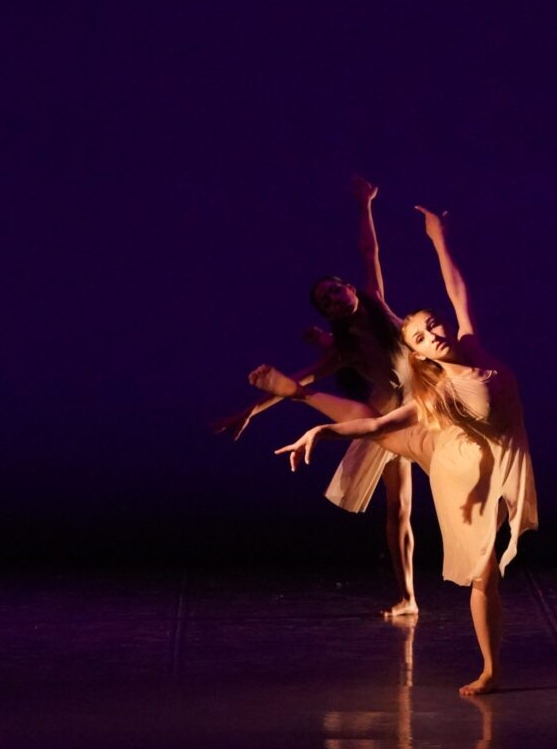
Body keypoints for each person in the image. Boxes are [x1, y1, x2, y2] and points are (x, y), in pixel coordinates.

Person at [258, 204, 537, 696]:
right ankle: (490, 669)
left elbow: (457, 289)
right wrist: (320, 433)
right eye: (421, 338)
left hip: (486, 453)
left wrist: (438, 238)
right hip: (458, 467)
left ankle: (302, 394)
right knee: (483, 571)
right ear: (418, 353)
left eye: (433, 326)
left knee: (392, 447)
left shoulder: (472, 345)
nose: (433, 336)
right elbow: (378, 422)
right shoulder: (437, 392)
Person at [213, 176, 422, 617]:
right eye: (325, 302)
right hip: (392, 414)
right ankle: (408, 597)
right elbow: (294, 384)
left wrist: (365, 204)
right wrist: (249, 412)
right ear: (328, 314)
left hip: (429, 399)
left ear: (349, 288)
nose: (333, 299)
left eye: (334, 291)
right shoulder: (343, 349)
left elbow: (370, 252)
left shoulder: (377, 303)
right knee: (399, 508)